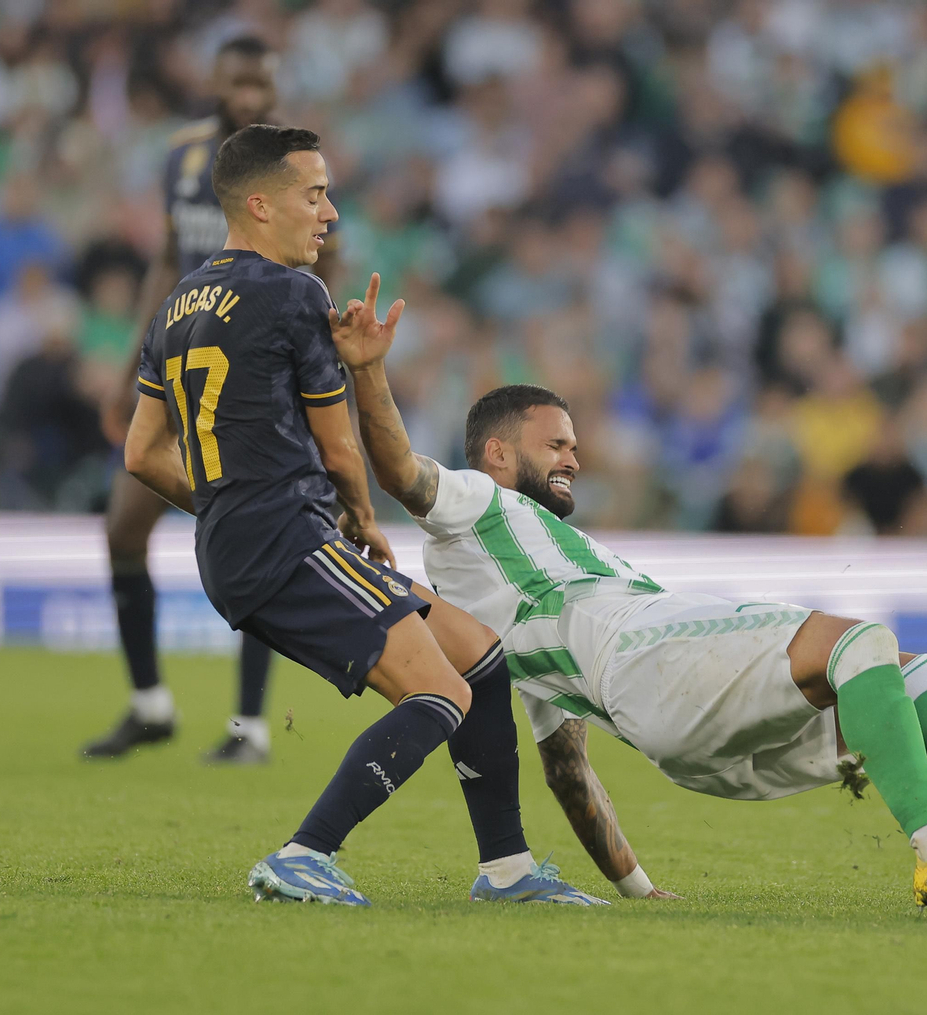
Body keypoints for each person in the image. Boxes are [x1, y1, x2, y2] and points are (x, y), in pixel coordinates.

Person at [335, 336, 927, 910]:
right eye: (558, 443)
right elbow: (404, 471)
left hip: (678, 730)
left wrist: (638, 891)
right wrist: (369, 367)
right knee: (859, 638)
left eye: (576, 443)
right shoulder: (479, 500)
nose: (576, 456)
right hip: (648, 655)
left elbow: (569, 773)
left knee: (902, 673)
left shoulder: (507, 603)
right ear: (499, 454)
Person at [124, 123, 599, 906]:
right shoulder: (289, 292)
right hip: (288, 537)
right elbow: (340, 448)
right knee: (438, 692)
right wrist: (361, 516)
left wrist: (221, 506)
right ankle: (303, 853)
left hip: (245, 540)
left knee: (480, 658)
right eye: (313, 194)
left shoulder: (177, 305)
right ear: (260, 204)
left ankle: (507, 868)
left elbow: (143, 453)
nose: (329, 212)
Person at [85, 36, 285, 763]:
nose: (251, 96)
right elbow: (168, 262)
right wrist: (127, 365)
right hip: (174, 370)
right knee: (122, 529)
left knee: (253, 546)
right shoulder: (184, 157)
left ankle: (249, 728)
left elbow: (326, 269)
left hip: (253, 380)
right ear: (217, 81)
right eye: (239, 82)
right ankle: (150, 706)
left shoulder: (293, 166)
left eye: (262, 84)